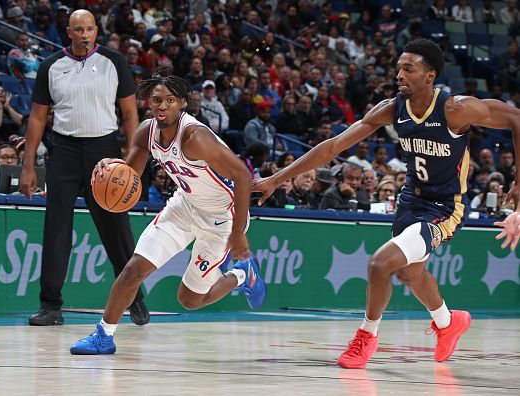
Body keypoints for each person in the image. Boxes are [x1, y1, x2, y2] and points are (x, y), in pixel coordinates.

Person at [254, 39, 520, 369]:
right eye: (398, 68)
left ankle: (367, 336)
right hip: (410, 202)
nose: (399, 74)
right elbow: (333, 146)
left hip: (445, 208)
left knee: (381, 264)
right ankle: (449, 323)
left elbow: (515, 119)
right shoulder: (392, 109)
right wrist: (275, 179)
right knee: (410, 275)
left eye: (408, 69)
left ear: (430, 75)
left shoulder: (456, 108)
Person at [69, 68, 266, 355]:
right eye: (157, 100)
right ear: (149, 103)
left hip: (222, 219)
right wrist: (112, 167)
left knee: (189, 300)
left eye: (170, 100)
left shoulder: (195, 137)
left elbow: (242, 175)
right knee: (134, 269)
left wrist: (237, 234)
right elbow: (130, 175)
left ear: (182, 103)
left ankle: (241, 275)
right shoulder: (146, 131)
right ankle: (103, 335)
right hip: (184, 206)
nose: (162, 106)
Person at [19, 9, 148, 327]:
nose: (85, 34)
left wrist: (132, 161)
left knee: (117, 230)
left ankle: (135, 298)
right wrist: (28, 165)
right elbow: (37, 117)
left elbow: (130, 114)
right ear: (69, 32)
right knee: (56, 230)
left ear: (95, 31)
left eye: (89, 28)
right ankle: (51, 306)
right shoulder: (51, 66)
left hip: (104, 151)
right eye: (78, 29)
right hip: (63, 151)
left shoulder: (113, 61)